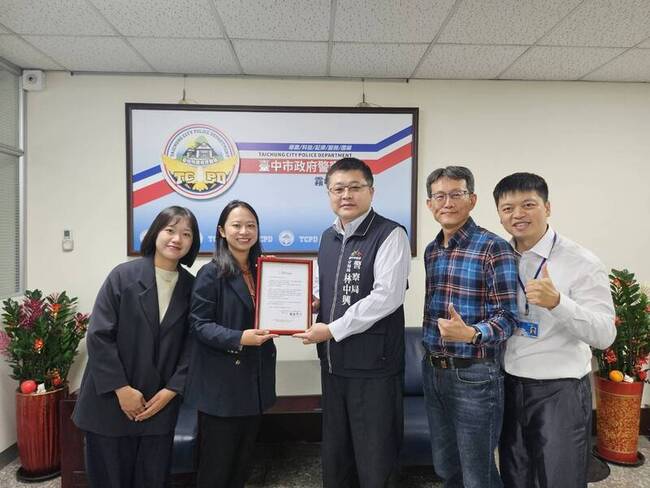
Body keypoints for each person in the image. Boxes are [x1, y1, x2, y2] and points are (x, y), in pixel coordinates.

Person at [493, 172, 616, 488]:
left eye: (528, 204)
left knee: (560, 479)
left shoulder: (581, 261)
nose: (518, 215)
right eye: (508, 208)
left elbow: (605, 334)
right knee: (515, 478)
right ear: (500, 215)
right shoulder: (498, 257)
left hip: (559, 390)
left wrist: (558, 303)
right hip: (510, 386)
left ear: (547, 207)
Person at [294, 157, 410, 488]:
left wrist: (332, 329)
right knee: (337, 453)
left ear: (371, 191)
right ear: (329, 193)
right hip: (333, 365)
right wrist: (311, 303)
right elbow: (325, 286)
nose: (346, 195)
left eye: (355, 187)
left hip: (374, 368)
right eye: (338, 188)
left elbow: (387, 296)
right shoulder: (327, 237)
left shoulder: (390, 234)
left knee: (375, 456)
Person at [72, 206, 200, 488]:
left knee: (152, 479)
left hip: (159, 404)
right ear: (155, 233)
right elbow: (99, 335)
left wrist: (172, 390)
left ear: (193, 242)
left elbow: (193, 345)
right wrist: (122, 389)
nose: (177, 239)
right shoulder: (123, 276)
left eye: (186, 234)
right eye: (170, 230)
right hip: (109, 401)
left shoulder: (192, 287)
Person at [422, 166, 518, 488]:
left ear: (472, 200)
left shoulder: (494, 248)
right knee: (446, 466)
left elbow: (509, 317)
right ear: (429, 204)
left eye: (456, 194)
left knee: (478, 474)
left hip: (475, 374)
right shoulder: (432, 250)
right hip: (433, 370)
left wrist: (473, 333)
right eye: (439, 196)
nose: (447, 202)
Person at [184, 200, 277, 488]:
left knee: (241, 465)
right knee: (217, 467)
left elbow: (276, 310)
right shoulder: (211, 273)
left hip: (255, 382)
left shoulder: (265, 270)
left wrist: (302, 306)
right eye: (236, 225)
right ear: (222, 231)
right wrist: (239, 338)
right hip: (222, 387)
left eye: (251, 225)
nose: (244, 231)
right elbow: (199, 324)